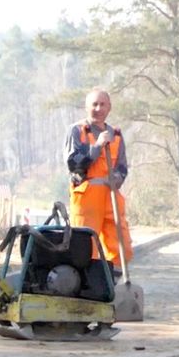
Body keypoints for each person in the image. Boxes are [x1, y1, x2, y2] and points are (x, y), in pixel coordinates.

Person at [64, 88, 133, 272]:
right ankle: (85, 287)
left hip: (110, 196)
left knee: (120, 246)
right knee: (85, 247)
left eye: (102, 104)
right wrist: (97, 147)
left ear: (109, 107)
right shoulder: (77, 131)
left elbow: (123, 166)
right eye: (94, 104)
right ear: (87, 107)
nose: (98, 108)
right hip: (86, 198)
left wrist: (117, 178)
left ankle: (116, 283)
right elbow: (74, 164)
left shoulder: (116, 135)